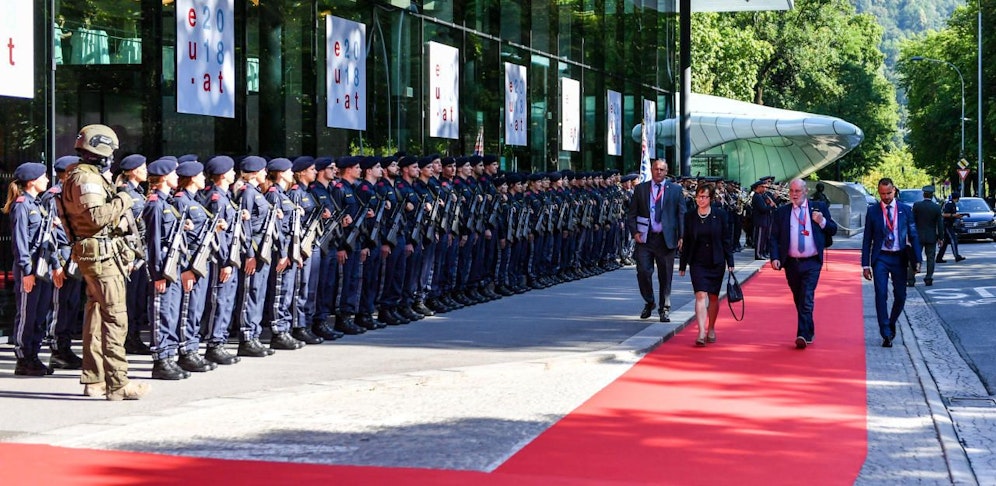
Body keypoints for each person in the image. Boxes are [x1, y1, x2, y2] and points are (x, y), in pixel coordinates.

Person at [58, 124, 150, 400]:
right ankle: (118, 384)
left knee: (97, 316)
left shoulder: (80, 175)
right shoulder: (87, 180)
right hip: (101, 256)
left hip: (96, 254)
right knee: (115, 317)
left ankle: (95, 379)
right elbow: (97, 217)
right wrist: (124, 198)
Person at [5, 162, 60, 376]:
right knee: (27, 315)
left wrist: (55, 265)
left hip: (43, 267)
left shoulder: (38, 205)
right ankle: (24, 358)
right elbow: (20, 243)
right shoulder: (22, 205)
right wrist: (26, 271)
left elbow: (47, 239)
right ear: (31, 181)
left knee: (39, 314)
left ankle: (34, 355)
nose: (47, 180)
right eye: (43, 177)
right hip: (29, 269)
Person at [769, 179, 838, 350]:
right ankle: (809, 329)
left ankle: (801, 334)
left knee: (806, 297)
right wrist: (775, 257)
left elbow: (833, 229)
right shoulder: (782, 212)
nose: (794, 194)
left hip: (812, 261)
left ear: (806, 191)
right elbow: (774, 237)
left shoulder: (818, 208)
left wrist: (821, 222)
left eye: (798, 191)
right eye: (792, 191)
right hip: (791, 262)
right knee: (799, 298)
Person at [861, 178, 921, 348]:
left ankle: (892, 321)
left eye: (888, 193)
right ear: (878, 192)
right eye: (882, 194)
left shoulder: (905, 210)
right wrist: (865, 264)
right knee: (881, 294)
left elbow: (914, 235)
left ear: (894, 190)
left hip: (899, 257)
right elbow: (867, 239)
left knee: (900, 296)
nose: (885, 197)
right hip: (881, 257)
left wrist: (918, 259)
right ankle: (885, 331)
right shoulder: (872, 211)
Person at [625, 158, 685, 322]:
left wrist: (682, 236)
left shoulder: (675, 189)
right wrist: (634, 232)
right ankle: (649, 301)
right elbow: (631, 214)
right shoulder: (641, 189)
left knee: (665, 275)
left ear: (666, 172)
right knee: (643, 272)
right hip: (645, 238)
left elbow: (681, 214)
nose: (658, 172)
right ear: (651, 170)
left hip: (666, 239)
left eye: (662, 170)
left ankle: (664, 308)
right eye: (656, 169)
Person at [678, 184, 734, 346]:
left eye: (704, 197)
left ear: (711, 199)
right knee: (700, 295)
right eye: (698, 196)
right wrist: (682, 265)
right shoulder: (690, 216)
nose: (700, 200)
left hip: (716, 261)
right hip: (697, 262)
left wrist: (730, 261)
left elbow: (726, 239)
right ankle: (701, 331)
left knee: (713, 297)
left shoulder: (720, 215)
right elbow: (686, 241)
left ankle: (711, 328)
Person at [910, 185, 942, 286]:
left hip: (917, 236)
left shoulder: (917, 205)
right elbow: (940, 224)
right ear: (932, 195)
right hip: (931, 237)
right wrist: (941, 237)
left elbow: (912, 221)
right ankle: (928, 278)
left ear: (923, 194)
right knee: (930, 258)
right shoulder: (936, 207)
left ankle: (911, 279)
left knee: (914, 257)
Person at [936, 191, 967, 264]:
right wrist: (954, 216)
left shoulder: (951, 204)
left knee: (945, 242)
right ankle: (957, 256)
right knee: (954, 240)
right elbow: (943, 214)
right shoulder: (950, 204)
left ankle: (939, 258)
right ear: (957, 198)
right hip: (947, 225)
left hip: (948, 224)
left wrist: (957, 216)